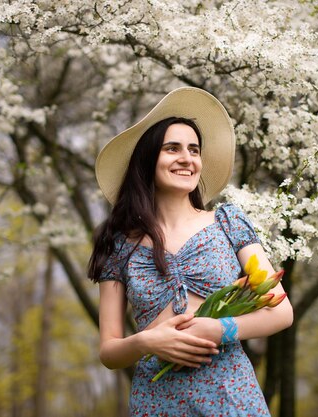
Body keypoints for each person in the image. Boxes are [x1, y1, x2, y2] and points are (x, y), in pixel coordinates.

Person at [88, 87, 293, 416]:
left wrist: (222, 328)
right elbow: (109, 350)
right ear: (148, 158)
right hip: (157, 400)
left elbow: (282, 312)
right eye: (172, 148)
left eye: (194, 150)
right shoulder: (117, 244)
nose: (187, 158)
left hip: (231, 394)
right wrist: (146, 341)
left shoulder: (229, 222)